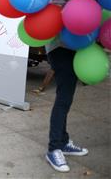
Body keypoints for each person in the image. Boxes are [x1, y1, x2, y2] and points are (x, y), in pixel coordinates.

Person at [45, 36, 88, 173]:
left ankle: (62, 142)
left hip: (71, 47)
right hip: (60, 48)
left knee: (66, 99)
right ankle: (54, 148)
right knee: (63, 100)